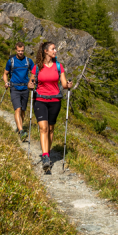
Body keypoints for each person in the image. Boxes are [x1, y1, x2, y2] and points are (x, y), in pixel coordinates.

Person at [30, 40, 70, 173]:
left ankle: (47, 151)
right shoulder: (37, 67)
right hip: (40, 100)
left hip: (55, 101)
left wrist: (68, 85)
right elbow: (32, 81)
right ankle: (45, 156)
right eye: (53, 49)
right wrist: (30, 84)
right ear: (46, 51)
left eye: (55, 49)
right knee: (43, 128)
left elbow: (63, 84)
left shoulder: (59, 66)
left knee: (51, 129)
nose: (55, 51)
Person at [3, 42, 34, 142]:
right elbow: (5, 74)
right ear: (16, 50)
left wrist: (32, 82)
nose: (20, 52)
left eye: (22, 51)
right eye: (19, 51)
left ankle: (19, 126)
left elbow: (34, 72)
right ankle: (21, 131)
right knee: (18, 109)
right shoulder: (11, 61)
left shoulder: (28, 61)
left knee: (23, 111)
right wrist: (6, 82)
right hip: (14, 88)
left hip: (25, 89)